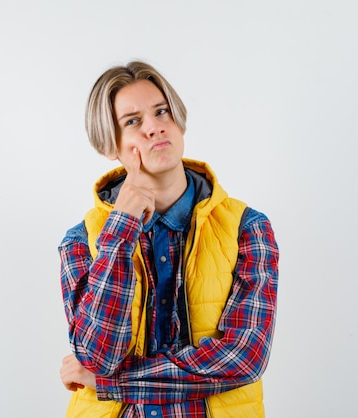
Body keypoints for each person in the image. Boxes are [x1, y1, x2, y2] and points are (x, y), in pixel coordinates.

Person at [58, 60, 279, 418]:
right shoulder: (82, 241)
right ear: (108, 144)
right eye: (133, 121)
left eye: (162, 112)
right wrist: (122, 226)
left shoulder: (247, 228)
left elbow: (244, 358)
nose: (154, 128)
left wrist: (113, 383)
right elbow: (98, 356)